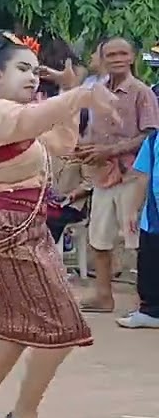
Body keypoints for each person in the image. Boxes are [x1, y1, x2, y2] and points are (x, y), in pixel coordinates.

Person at [0, 31, 117, 418]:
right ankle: (24, 411)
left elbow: (62, 143)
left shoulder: (21, 113)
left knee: (18, 327)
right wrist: (79, 93)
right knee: (62, 325)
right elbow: (32, 123)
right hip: (8, 229)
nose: (30, 77)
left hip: (17, 226)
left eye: (33, 69)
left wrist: (67, 91)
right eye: (21, 69)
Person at [77, 37, 159, 314]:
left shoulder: (142, 93)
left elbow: (150, 135)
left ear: (133, 57)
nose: (116, 59)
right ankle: (103, 295)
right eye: (110, 54)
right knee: (99, 238)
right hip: (102, 176)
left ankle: (145, 302)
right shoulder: (98, 92)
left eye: (122, 53)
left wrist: (110, 150)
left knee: (136, 240)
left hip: (132, 177)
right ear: (102, 59)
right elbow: (91, 130)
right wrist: (86, 149)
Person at [120, 128, 159, 328]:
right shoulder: (153, 140)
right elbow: (142, 177)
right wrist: (132, 211)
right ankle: (151, 311)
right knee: (150, 263)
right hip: (154, 218)